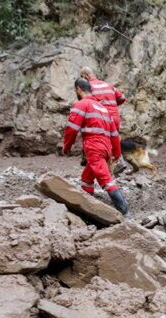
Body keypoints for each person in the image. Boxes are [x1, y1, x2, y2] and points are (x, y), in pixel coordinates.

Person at [63, 78, 130, 216]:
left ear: (78, 89)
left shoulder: (81, 105)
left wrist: (67, 146)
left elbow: (72, 129)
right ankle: (87, 206)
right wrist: (116, 154)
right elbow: (114, 135)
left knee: (105, 179)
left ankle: (125, 211)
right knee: (86, 178)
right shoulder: (103, 109)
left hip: (94, 145)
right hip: (106, 146)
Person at [79, 66, 130, 174]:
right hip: (115, 117)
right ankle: (118, 162)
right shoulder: (109, 85)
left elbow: (85, 103)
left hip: (102, 118)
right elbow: (122, 98)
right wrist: (113, 105)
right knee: (114, 139)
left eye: (82, 78)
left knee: (97, 140)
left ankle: (101, 167)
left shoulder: (88, 88)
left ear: (86, 76)